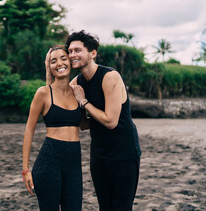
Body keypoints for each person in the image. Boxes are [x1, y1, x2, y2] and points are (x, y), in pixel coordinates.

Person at [46, 30, 142, 211]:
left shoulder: (110, 77)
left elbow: (111, 121)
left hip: (124, 153)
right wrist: (47, 69)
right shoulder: (76, 83)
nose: (72, 55)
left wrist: (83, 102)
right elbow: (53, 98)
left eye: (77, 50)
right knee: (105, 207)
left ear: (92, 53)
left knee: (121, 207)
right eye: (70, 51)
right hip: (99, 154)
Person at [22, 45, 84, 211]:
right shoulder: (43, 93)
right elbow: (29, 130)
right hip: (49, 162)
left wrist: (84, 101)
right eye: (53, 61)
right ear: (49, 66)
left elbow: (86, 124)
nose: (59, 64)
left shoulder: (78, 92)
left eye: (63, 59)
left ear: (70, 62)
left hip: (74, 164)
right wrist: (25, 169)